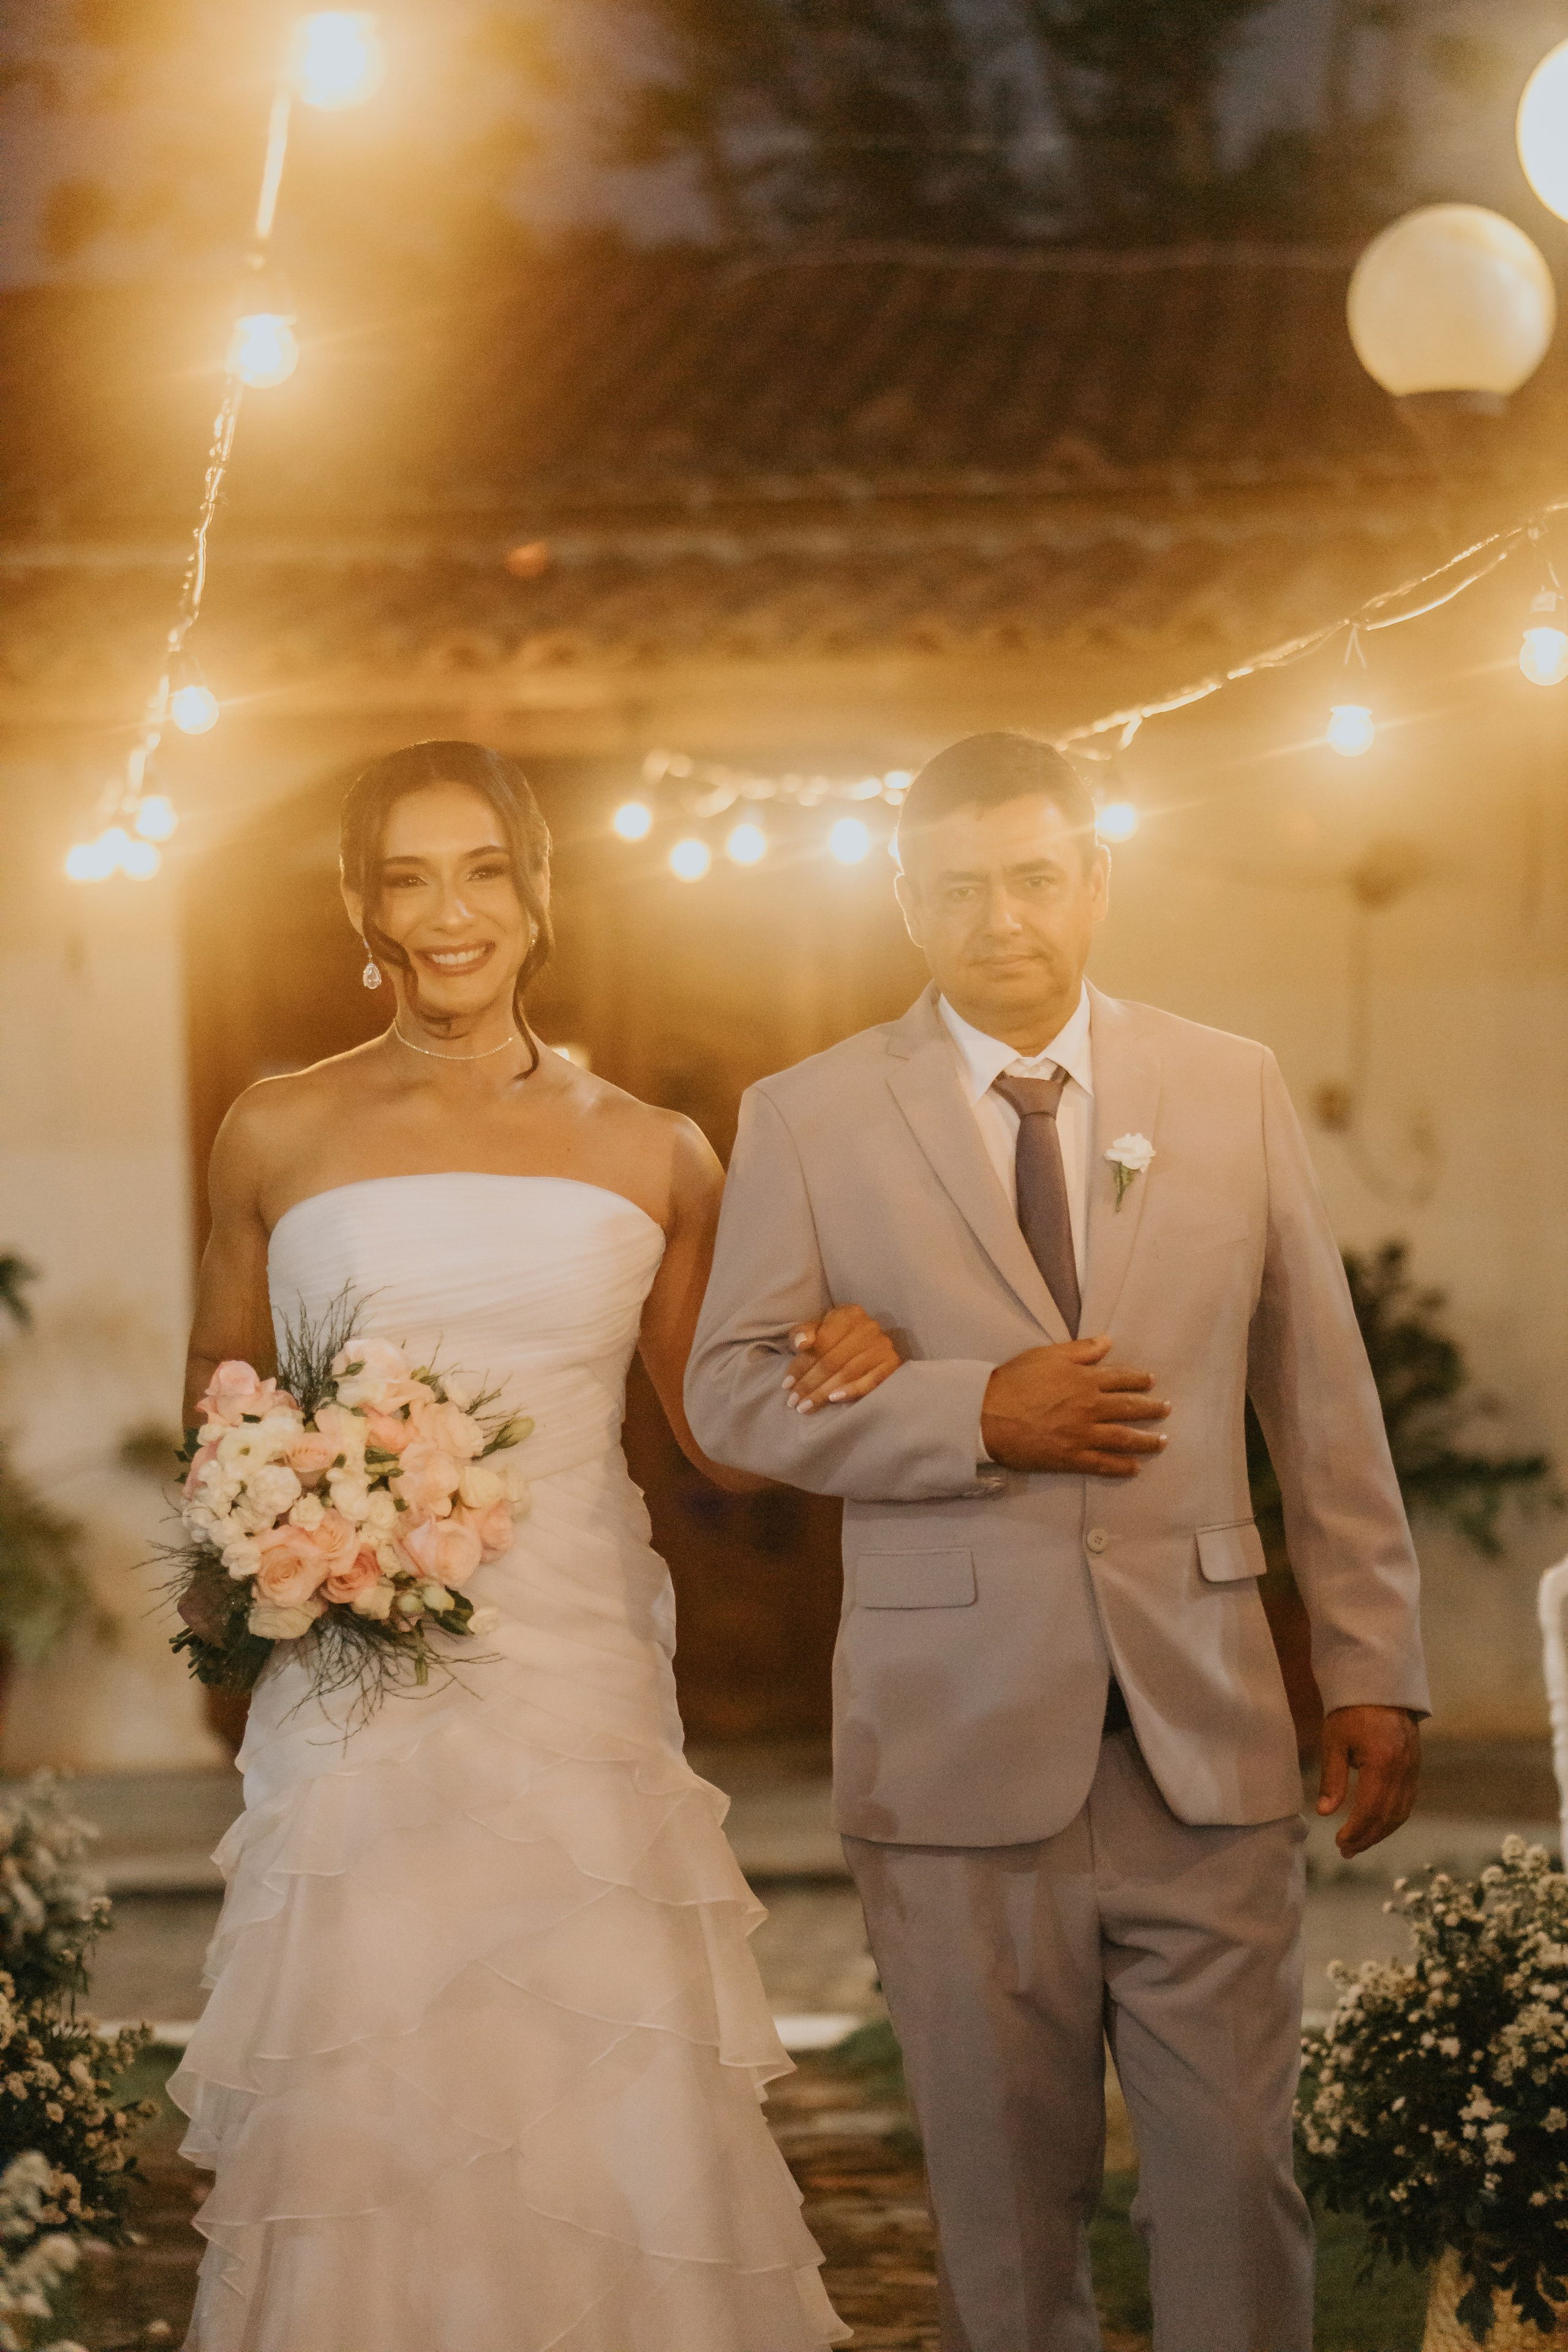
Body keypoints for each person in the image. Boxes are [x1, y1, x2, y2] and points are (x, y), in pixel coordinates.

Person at [684, 731, 1429, 2352]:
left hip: (1205, 1734)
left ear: (1096, 879)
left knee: (1236, 2187)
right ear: (905, 899)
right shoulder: (809, 1117)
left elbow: (1321, 1395)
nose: (1001, 917)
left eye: (1034, 877)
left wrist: (1376, 1663)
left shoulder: (1223, 1083)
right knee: (1005, 2229)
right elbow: (731, 1399)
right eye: (958, 887)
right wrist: (968, 1413)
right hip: (950, 1750)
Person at [170, 739, 899, 2352]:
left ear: (536, 896)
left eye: (482, 873)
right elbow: (217, 1411)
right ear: (363, 906)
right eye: (411, 878)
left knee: (600, 2040)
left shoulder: (655, 1147)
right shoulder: (272, 1130)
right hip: (356, 1689)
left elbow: (722, 1431)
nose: (449, 913)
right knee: (372, 2045)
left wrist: (847, 1351)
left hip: (574, 1668)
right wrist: (302, 1512)